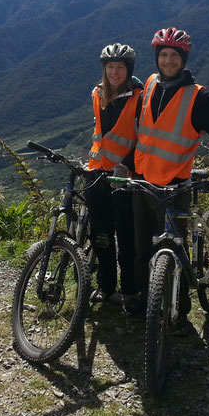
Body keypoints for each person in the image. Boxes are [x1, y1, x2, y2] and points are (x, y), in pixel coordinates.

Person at [123, 27, 209, 335]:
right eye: (163, 55)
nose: (168, 60)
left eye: (175, 55)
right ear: (157, 58)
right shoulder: (148, 84)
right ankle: (143, 305)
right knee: (140, 249)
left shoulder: (196, 97)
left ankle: (181, 312)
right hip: (141, 181)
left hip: (175, 185)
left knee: (175, 250)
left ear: (183, 59)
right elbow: (140, 132)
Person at [85, 43, 143, 305]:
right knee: (102, 236)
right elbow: (100, 135)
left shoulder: (140, 98)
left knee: (127, 238)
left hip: (124, 177)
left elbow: (144, 139)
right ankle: (106, 287)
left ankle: (130, 290)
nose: (115, 73)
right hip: (97, 173)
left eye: (120, 68)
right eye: (110, 67)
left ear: (128, 70)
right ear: (104, 69)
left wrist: (127, 165)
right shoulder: (98, 94)